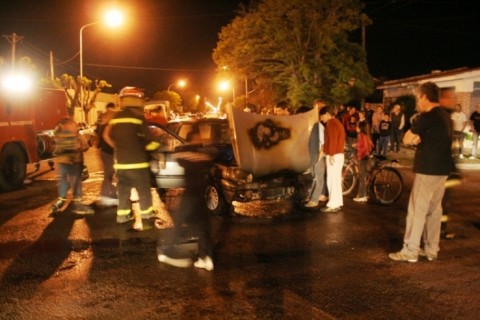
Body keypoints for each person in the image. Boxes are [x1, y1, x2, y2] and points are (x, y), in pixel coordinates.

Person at [389, 82, 453, 263]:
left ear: (425, 96)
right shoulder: (445, 116)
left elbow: (407, 138)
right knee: (434, 210)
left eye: (418, 97)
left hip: (427, 170)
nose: (417, 101)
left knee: (417, 210)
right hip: (442, 170)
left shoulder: (427, 116)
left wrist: (415, 139)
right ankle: (432, 249)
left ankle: (410, 250)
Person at [103, 87, 160, 225]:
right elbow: (148, 141)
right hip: (138, 164)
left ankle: (122, 216)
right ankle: (146, 214)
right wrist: (156, 148)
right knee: (144, 190)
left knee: (123, 192)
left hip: (121, 165)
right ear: (137, 100)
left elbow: (106, 135)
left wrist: (117, 147)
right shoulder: (138, 117)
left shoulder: (116, 117)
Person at [50, 117, 94, 215]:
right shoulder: (77, 136)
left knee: (64, 181)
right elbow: (86, 146)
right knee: (76, 182)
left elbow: (55, 146)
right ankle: (77, 204)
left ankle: (61, 201)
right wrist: (80, 148)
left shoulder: (60, 135)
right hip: (74, 162)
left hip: (64, 162)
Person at [319, 106, 345, 213]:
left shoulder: (331, 123)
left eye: (322, 116)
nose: (321, 119)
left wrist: (331, 154)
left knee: (332, 180)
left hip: (334, 155)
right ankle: (337, 202)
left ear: (327, 114)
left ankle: (333, 204)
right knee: (336, 180)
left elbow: (332, 140)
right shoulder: (336, 123)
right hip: (338, 154)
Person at [94, 102, 119, 207]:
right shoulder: (111, 117)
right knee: (109, 174)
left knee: (110, 173)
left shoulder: (102, 119)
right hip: (109, 151)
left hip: (104, 151)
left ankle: (111, 193)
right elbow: (105, 136)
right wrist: (114, 145)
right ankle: (104, 196)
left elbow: (96, 134)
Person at [304, 101, 328, 208]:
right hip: (313, 155)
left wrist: (320, 155)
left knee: (319, 178)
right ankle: (312, 196)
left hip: (318, 155)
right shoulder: (312, 126)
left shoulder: (319, 127)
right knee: (314, 177)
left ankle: (315, 200)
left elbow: (323, 143)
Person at [353, 121, 374, 202]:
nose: (356, 128)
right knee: (363, 176)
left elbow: (364, 147)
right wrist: (357, 145)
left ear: (360, 128)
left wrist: (359, 156)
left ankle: (362, 196)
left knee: (362, 177)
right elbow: (371, 145)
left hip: (363, 157)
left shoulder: (361, 135)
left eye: (357, 126)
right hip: (367, 157)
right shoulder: (366, 135)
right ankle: (362, 194)